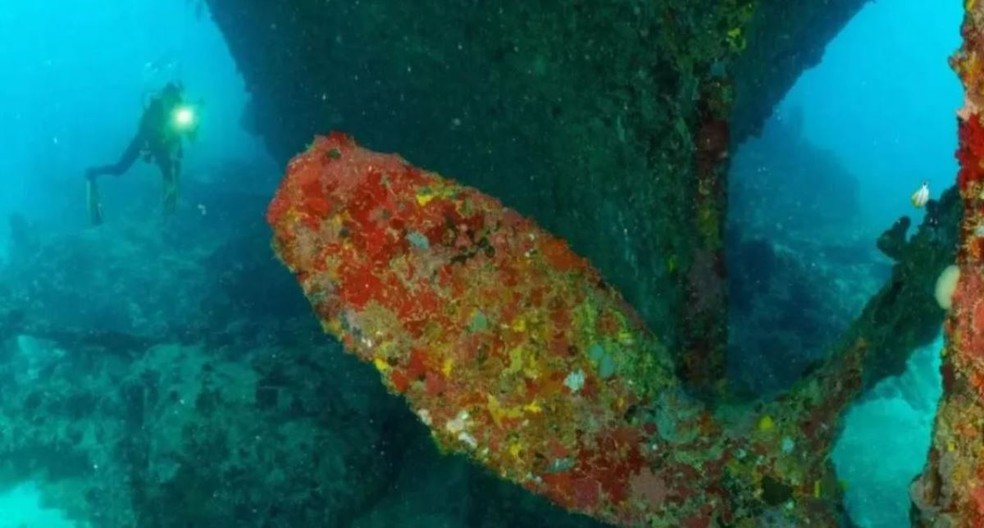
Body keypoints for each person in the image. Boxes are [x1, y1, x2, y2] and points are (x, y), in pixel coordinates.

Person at [85, 82, 198, 224]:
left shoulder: (180, 111)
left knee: (173, 168)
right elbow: (150, 135)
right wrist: (163, 165)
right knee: (119, 169)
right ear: (166, 96)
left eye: (178, 100)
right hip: (145, 142)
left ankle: (168, 210)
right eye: (172, 98)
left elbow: (191, 138)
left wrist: (193, 126)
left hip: (163, 145)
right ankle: (91, 174)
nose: (174, 103)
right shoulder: (154, 109)